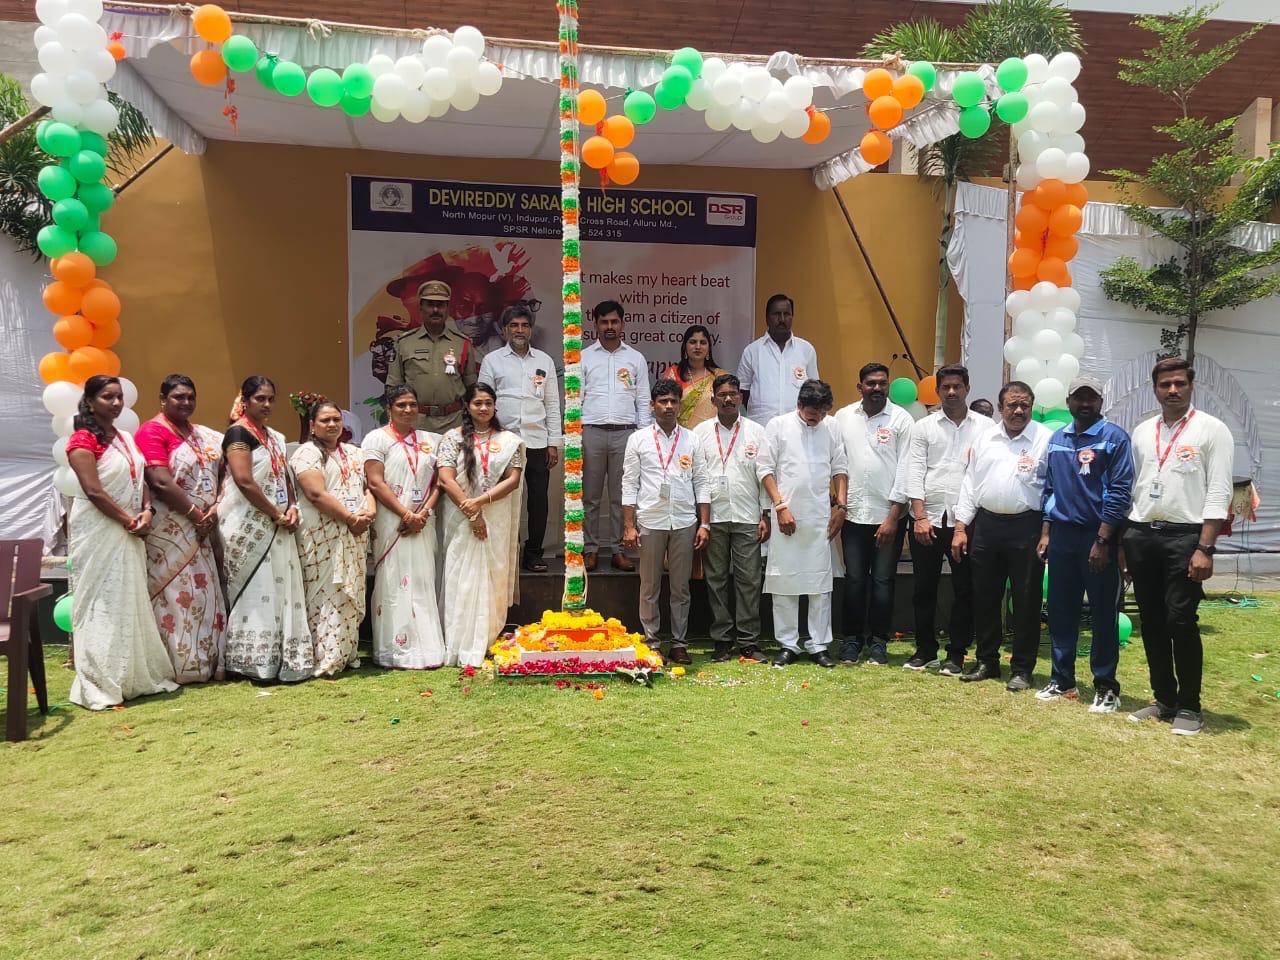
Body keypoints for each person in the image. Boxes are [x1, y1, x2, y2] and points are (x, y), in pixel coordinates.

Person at [1124, 358, 1234, 736]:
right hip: (1142, 534)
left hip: (1185, 537)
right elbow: (1134, 487)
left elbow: (1219, 491)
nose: (1172, 390)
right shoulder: (1143, 431)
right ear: (1154, 389)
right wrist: (1125, 540)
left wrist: (1206, 548)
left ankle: (1190, 705)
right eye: (1165, 384)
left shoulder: (1212, 430)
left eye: (1179, 384)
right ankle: (1164, 699)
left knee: (1180, 618)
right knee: (1151, 620)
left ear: (1191, 386)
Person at [64, 375, 180, 709]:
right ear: (90, 402)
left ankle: (132, 677)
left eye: (119, 397)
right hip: (99, 530)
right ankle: (101, 681)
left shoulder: (125, 437)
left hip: (132, 527)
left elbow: (141, 479)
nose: (116, 403)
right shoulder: (82, 440)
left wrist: (147, 510)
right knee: (102, 602)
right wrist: (128, 520)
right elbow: (93, 490)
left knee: (129, 598)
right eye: (107, 397)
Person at [1036, 375, 1134, 713]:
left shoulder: (1114, 438)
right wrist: (1046, 532)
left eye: (1091, 397)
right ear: (1068, 402)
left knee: (1104, 614)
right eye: (1079, 397)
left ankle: (1106, 686)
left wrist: (1104, 540)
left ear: (1101, 402)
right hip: (1063, 535)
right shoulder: (1057, 439)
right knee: (1061, 611)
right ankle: (1062, 680)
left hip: (1099, 536)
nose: (1085, 403)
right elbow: (1050, 489)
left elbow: (1120, 493)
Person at [951, 381, 1051, 689]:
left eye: (1024, 405)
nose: (1018, 411)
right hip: (987, 526)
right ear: (1000, 407)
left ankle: (1022, 668)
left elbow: (1054, 489)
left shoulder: (1046, 439)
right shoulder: (985, 439)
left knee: (1026, 600)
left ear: (1032, 407)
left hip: (1028, 527)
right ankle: (987, 661)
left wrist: (1047, 531)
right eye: (1012, 405)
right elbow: (970, 484)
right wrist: (960, 528)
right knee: (985, 597)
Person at [219, 376, 314, 682]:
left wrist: (293, 506)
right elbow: (244, 480)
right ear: (245, 400)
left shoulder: (274, 436)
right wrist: (275, 513)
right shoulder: (238, 433)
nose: (267, 404)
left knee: (280, 587)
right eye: (260, 398)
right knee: (257, 588)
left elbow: (284, 475)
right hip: (249, 524)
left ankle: (281, 657)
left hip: (280, 523)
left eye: (271, 398)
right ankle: (249, 662)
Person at [135, 374, 226, 684]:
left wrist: (215, 507)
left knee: (203, 593)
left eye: (190, 397)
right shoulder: (152, 431)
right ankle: (178, 665)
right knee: (175, 594)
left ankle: (206, 662)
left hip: (203, 528)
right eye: (178, 397)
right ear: (163, 400)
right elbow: (159, 480)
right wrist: (194, 513)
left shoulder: (204, 435)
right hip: (169, 529)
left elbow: (226, 469)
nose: (186, 402)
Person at [758, 379, 848, 668]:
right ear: (799, 405)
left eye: (821, 414)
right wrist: (780, 506)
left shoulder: (831, 426)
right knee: (785, 582)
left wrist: (841, 507)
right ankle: (788, 644)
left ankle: (819, 645)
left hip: (820, 517)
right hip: (786, 515)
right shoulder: (778, 425)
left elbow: (840, 467)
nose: (816, 419)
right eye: (811, 414)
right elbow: (764, 468)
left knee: (820, 584)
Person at [902, 364, 986, 676]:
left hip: (967, 520)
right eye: (946, 387)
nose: (951, 392)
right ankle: (925, 650)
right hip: (929, 519)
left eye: (957, 386)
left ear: (967, 388)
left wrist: (964, 522)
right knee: (924, 587)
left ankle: (957, 654)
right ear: (937, 391)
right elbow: (914, 471)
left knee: (965, 589)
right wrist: (920, 516)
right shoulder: (923, 427)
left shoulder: (985, 427)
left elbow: (982, 475)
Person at [621, 379, 711, 665]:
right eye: (663, 401)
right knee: (649, 586)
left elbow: (702, 482)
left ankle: (679, 643)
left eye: (673, 401)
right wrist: (629, 526)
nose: (669, 406)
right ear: (652, 405)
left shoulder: (692, 439)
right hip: (650, 520)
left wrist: (704, 524)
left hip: (684, 520)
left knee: (680, 588)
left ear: (679, 405)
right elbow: (629, 483)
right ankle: (652, 642)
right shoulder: (638, 439)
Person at [438, 383, 525, 667]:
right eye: (478, 403)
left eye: (488, 402)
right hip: (460, 516)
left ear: (495, 405)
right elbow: (446, 478)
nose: (483, 408)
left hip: (496, 516)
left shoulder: (508, 440)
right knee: (461, 576)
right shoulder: (452, 438)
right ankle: (459, 641)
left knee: (493, 574)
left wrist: (481, 502)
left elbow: (513, 480)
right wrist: (472, 512)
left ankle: (487, 639)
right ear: (467, 406)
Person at [833, 362, 914, 665]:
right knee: (854, 579)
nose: (877, 388)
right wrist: (839, 504)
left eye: (882, 383)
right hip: (853, 514)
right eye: (871, 383)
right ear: (860, 387)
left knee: (882, 580)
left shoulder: (901, 419)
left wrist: (893, 516)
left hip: (888, 515)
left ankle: (878, 642)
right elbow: (836, 462)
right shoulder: (843, 417)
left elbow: (906, 468)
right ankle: (851, 641)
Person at [362, 385, 446, 670]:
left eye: (412, 404)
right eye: (401, 405)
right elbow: (375, 482)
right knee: (393, 580)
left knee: (422, 578)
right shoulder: (376, 439)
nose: (408, 409)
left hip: (423, 520)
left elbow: (439, 482)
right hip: (392, 520)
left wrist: (424, 513)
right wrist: (406, 514)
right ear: (389, 408)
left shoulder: (430, 440)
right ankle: (393, 649)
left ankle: (427, 648)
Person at [291, 400, 374, 676]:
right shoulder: (307, 453)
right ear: (312, 425)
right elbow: (315, 494)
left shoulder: (354, 452)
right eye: (325, 420)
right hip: (322, 532)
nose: (332, 424)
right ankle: (324, 656)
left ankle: (345, 653)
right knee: (324, 592)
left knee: (349, 592)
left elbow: (368, 487)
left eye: (336, 419)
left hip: (354, 531)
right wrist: (350, 518)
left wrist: (369, 513)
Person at [478, 304, 562, 572]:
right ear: (504, 330)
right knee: (501, 500)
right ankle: (505, 552)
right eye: (514, 325)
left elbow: (552, 404)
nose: (520, 330)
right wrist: (487, 440)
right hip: (503, 442)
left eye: (525, 325)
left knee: (538, 502)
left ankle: (534, 553)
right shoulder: (492, 361)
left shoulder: (544, 361)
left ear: (531, 330)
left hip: (537, 442)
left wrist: (553, 443)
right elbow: (483, 402)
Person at [692, 373, 770, 662]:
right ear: (713, 399)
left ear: (740, 398)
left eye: (733, 394)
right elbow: (697, 477)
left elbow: (765, 475)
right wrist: (702, 520)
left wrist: (765, 514)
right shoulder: (700, 433)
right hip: (714, 517)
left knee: (749, 579)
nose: (728, 399)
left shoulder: (756, 432)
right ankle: (722, 640)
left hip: (748, 515)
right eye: (722, 394)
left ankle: (749, 641)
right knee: (716, 580)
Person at [581, 300, 651, 572]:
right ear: (595, 324)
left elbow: (643, 399)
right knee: (590, 497)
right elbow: (575, 398)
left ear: (623, 324)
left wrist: (643, 437)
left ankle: (618, 550)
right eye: (604, 322)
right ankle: (590, 549)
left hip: (626, 435)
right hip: (592, 432)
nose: (609, 327)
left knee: (621, 497)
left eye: (614, 321)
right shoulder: (584, 357)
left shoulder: (635, 358)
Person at [385, 280, 480, 433]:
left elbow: (472, 388)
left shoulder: (462, 343)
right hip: (415, 422)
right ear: (421, 307)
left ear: (448, 309)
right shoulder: (404, 343)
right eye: (430, 304)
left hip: (454, 422)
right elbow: (393, 388)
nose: (435, 310)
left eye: (440, 305)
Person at [737, 294, 818, 423]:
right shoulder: (752, 351)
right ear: (767, 318)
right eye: (776, 314)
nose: (782, 319)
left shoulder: (806, 349)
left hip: (797, 426)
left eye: (787, 314)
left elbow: (813, 389)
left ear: (792, 317)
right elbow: (743, 391)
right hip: (762, 427)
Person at [664, 325, 728, 428]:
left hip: (713, 434)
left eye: (703, 342)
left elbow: (728, 409)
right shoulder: (674, 374)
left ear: (709, 348)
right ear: (685, 346)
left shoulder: (720, 376)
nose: (698, 347)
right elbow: (666, 407)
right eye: (693, 342)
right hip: (681, 435)